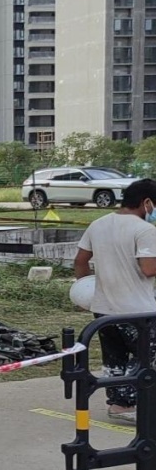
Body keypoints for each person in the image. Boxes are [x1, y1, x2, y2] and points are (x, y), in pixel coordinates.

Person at [73, 178, 156, 423]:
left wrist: (85, 287)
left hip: (104, 309)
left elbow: (80, 261)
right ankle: (136, 403)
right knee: (145, 357)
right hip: (138, 310)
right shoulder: (145, 230)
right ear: (147, 202)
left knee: (115, 357)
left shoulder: (98, 224)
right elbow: (149, 269)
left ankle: (120, 404)